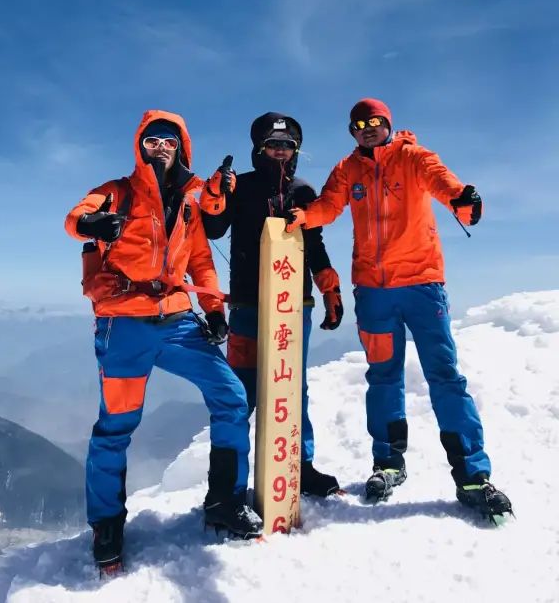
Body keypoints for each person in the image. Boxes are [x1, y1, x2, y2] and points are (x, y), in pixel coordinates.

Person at [286, 98, 512, 517]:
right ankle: (388, 463)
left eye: (375, 121)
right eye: (359, 124)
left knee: (444, 376)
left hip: (423, 285)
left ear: (387, 124)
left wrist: (463, 200)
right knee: (383, 377)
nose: (367, 128)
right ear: (352, 130)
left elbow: (444, 183)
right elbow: (330, 208)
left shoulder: (414, 157)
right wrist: (304, 217)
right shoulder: (347, 169)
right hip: (373, 291)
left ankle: (472, 474)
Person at [65, 110, 262, 575]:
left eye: (169, 141)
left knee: (232, 396)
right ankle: (107, 524)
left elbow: (199, 261)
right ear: (140, 146)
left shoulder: (190, 203)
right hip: (124, 323)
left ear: (181, 148)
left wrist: (213, 309)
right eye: (152, 140)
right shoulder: (117, 191)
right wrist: (94, 226)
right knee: (115, 427)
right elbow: (76, 216)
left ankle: (225, 501)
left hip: (176, 320)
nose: (160, 147)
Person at [200, 112, 343, 498]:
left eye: (287, 146)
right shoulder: (240, 188)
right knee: (241, 392)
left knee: (292, 387)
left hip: (297, 306)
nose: (280, 152)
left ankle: (301, 467)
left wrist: (329, 286)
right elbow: (211, 228)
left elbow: (314, 244)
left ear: (295, 151)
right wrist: (216, 195)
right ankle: (228, 487)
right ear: (258, 150)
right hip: (248, 306)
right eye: (272, 145)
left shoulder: (304, 192)